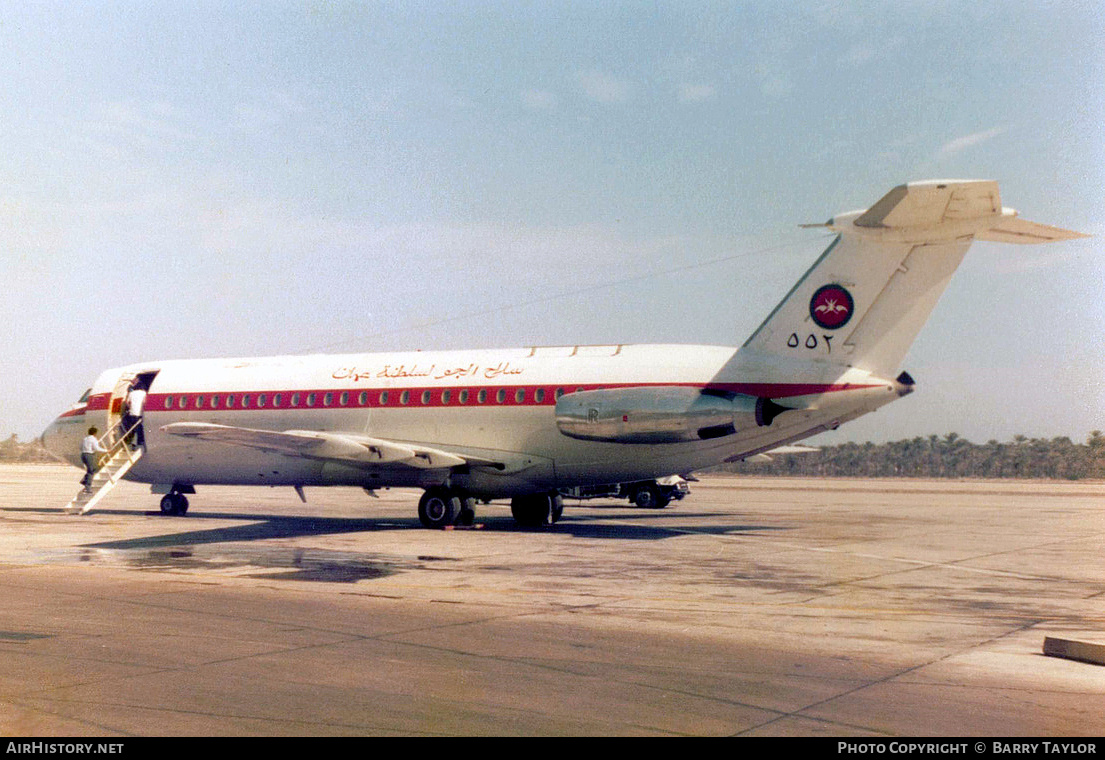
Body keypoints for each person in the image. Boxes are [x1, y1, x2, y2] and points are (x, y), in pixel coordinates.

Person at [80, 427, 107, 493]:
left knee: (93, 468)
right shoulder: (93, 439)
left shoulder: (85, 439)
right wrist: (106, 450)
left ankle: (84, 480)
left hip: (83, 454)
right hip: (89, 455)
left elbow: (80, 447)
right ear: (95, 433)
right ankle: (88, 487)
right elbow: (96, 448)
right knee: (91, 471)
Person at [122, 383, 147, 448]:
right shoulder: (143, 393)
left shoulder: (131, 393)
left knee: (133, 428)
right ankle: (139, 442)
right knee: (139, 428)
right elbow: (144, 402)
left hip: (132, 413)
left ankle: (132, 442)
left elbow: (127, 402)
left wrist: (131, 408)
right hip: (139, 413)